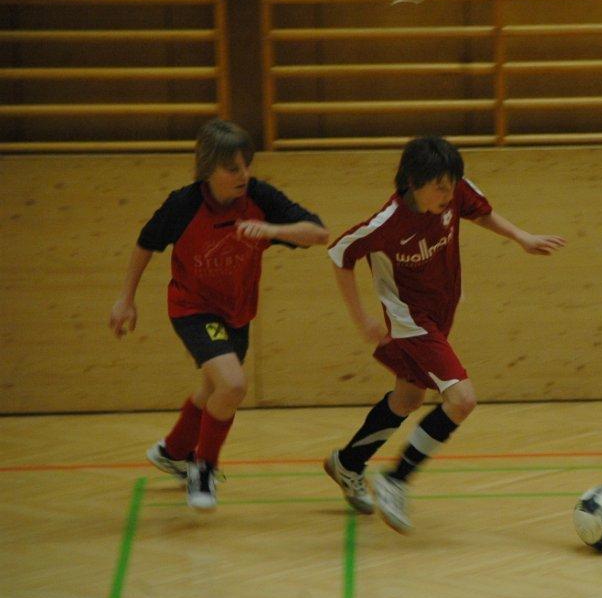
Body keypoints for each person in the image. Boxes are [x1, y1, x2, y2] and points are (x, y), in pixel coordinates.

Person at [324, 136, 565, 533]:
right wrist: (362, 318)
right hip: (410, 321)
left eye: (451, 185)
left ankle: (347, 463)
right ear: (412, 182)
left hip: (441, 312)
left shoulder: (454, 192)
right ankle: (396, 479)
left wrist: (522, 237)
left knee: (408, 398)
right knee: (462, 399)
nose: (448, 194)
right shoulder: (386, 224)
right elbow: (339, 255)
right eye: (439, 187)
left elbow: (480, 212)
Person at [109, 119, 328, 511]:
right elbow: (146, 243)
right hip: (192, 308)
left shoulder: (259, 197)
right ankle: (203, 467)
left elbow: (318, 233)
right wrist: (126, 298)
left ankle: (173, 451)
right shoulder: (184, 205)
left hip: (237, 311)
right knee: (233, 385)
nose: (243, 175)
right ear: (208, 169)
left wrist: (270, 230)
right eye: (232, 168)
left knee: (215, 391)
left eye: (246, 165)